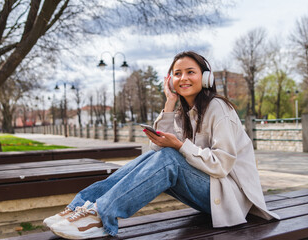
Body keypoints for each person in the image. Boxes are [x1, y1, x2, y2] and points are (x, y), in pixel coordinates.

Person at [43, 51, 279, 239]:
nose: (183, 78)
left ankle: (101, 217)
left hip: (231, 197)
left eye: (190, 72)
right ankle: (80, 207)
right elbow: (153, 154)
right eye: (177, 73)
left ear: (206, 77)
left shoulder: (218, 108)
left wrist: (180, 146)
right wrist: (169, 102)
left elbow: (222, 166)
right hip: (211, 191)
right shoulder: (183, 114)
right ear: (170, 80)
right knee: (163, 155)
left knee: (171, 157)